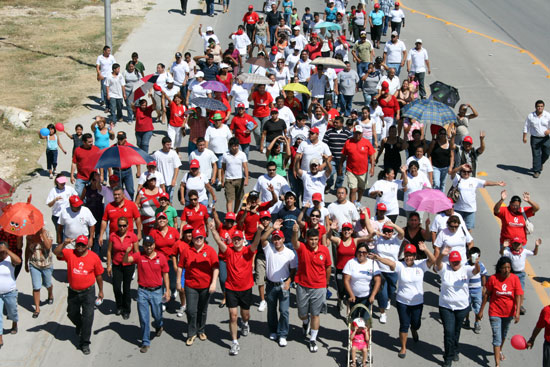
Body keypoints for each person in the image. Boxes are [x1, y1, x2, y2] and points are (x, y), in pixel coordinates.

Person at [371, 242, 435, 358]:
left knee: (416, 323)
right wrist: (378, 258)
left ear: (415, 256)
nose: (409, 257)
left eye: (411, 255)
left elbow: (433, 260)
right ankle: (403, 347)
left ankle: (414, 330)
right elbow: (390, 262)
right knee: (404, 324)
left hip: (417, 302)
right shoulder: (400, 265)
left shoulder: (421, 265)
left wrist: (426, 250)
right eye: (407, 255)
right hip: (402, 302)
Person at [210, 222, 259, 356]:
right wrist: (213, 230)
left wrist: (259, 231)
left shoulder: (248, 252)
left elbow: (255, 243)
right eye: (235, 239)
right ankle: (234, 342)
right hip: (231, 288)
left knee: (245, 315)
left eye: (239, 239)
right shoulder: (228, 252)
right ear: (232, 241)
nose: (237, 241)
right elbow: (218, 241)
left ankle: (245, 323)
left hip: (246, 289)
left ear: (243, 241)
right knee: (233, 316)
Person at [53, 235, 104, 355]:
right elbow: (56, 252)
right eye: (78, 245)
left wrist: (101, 291)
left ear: (87, 246)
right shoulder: (70, 253)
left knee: (88, 318)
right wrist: (64, 244)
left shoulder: (94, 257)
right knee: (71, 313)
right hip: (73, 292)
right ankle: (80, 325)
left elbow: (99, 275)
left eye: (82, 245)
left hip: (88, 293)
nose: (80, 247)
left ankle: (85, 343)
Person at [122, 235, 170, 353]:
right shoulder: (139, 256)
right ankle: (145, 342)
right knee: (144, 318)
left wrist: (167, 290)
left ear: (154, 245)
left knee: (157, 314)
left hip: (157, 291)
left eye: (151, 245)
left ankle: (159, 325)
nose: (149, 247)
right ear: (143, 246)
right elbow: (126, 261)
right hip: (142, 291)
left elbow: (165, 274)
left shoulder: (161, 257)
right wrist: (127, 253)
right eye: (146, 245)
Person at [435, 246, 480, 367]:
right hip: (446, 307)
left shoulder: (466, 269)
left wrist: (476, 263)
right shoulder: (445, 269)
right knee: (448, 332)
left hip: (462, 307)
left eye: (457, 261)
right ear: (449, 261)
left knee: (456, 331)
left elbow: (476, 271)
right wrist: (441, 255)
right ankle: (448, 357)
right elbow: (437, 264)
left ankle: (455, 349)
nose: (455, 263)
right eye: (453, 261)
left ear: (461, 261)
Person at [254, 220, 297, 346]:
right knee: (271, 310)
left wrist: (289, 281)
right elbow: (263, 238)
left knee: (284, 311)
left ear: (283, 239)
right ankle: (273, 330)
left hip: (283, 285)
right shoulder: (269, 249)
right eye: (275, 239)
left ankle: (283, 334)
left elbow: (293, 270)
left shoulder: (290, 253)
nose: (277, 241)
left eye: (279, 239)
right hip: (271, 285)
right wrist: (273, 228)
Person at [291, 223, 332, 353]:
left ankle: (313, 339)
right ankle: (305, 322)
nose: (313, 242)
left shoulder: (324, 250)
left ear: (318, 239)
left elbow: (328, 267)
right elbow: (294, 242)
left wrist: (326, 283)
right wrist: (295, 232)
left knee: (315, 314)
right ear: (307, 239)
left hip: (319, 287)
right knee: (302, 314)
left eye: (316, 239)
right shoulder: (302, 248)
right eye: (311, 239)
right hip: (303, 286)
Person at [177, 227, 219, 346]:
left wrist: (214, 282)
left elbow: (215, 267)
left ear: (204, 238)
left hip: (206, 286)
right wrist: (178, 282)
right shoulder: (187, 251)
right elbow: (180, 266)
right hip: (191, 285)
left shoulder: (210, 251)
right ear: (193, 239)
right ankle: (191, 333)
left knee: (202, 310)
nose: (199, 240)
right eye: (196, 238)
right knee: (191, 310)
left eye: (201, 237)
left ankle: (201, 330)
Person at [477, 257, 523, 367]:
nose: (506, 270)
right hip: (495, 312)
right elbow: (487, 295)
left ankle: (499, 350)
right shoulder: (493, 279)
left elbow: (518, 295)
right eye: (504, 268)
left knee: (503, 335)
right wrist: (481, 311)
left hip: (509, 313)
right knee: (497, 337)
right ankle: (497, 364)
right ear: (499, 268)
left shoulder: (514, 279)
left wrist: (517, 312)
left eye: (508, 267)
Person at [451, 163, 506, 230]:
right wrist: (461, 167)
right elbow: (452, 172)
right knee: (456, 227)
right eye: (464, 171)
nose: (466, 173)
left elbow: (486, 183)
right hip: (458, 209)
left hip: (470, 209)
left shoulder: (474, 180)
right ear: (461, 172)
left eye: (468, 172)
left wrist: (497, 183)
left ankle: (466, 240)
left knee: (468, 228)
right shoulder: (457, 179)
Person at [106, 216, 139, 319]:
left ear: (128, 226)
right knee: (116, 287)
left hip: (128, 265)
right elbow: (109, 251)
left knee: (126, 288)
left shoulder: (132, 236)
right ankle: (119, 305)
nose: (122, 228)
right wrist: (108, 265)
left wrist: (134, 260)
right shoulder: (113, 236)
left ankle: (126, 309)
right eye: (120, 226)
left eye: (124, 225)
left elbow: (137, 252)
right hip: (117, 264)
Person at [501, 237, 541, 315]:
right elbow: (502, 253)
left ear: (521, 245)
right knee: (510, 290)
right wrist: (503, 247)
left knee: (521, 291)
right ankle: (509, 305)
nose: (516, 245)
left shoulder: (524, 252)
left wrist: (536, 246)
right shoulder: (509, 252)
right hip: (511, 274)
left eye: (518, 244)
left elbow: (534, 253)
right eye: (515, 244)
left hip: (521, 274)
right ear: (512, 244)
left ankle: (520, 306)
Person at [343, 242, 382, 319]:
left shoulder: (372, 263)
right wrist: (351, 295)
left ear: (367, 253)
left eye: (364, 252)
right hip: (353, 297)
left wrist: (373, 295)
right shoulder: (350, 263)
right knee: (354, 321)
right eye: (359, 252)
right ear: (356, 252)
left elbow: (378, 280)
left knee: (366, 321)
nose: (361, 254)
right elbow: (346, 280)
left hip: (367, 297)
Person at [339, 125, 376, 203]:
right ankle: (352, 206)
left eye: (359, 133)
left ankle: (358, 201)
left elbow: (372, 155)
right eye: (356, 133)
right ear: (353, 133)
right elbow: (343, 155)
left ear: (362, 134)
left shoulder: (366, 142)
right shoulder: (348, 142)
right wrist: (340, 166)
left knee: (361, 189)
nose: (357, 135)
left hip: (363, 171)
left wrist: (372, 167)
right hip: (351, 170)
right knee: (353, 189)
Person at [24, 228, 54, 318]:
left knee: (47, 284)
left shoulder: (48, 233)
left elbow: (48, 246)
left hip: (46, 265)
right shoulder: (29, 236)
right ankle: (37, 308)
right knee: (36, 287)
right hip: (34, 264)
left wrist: (42, 235)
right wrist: (26, 262)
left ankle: (50, 294)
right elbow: (27, 249)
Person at [0, 241, 22, 347]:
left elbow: (18, 261)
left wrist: (7, 251)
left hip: (10, 292)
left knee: (12, 312)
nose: (1, 253)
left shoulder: (10, 260)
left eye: (3, 251)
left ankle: (14, 323)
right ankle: (0, 338)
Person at [523, 99, 550, 178]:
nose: (540, 108)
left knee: (547, 153)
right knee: (536, 155)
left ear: (543, 107)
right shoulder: (531, 116)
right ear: (535, 107)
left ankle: (540, 163)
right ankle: (536, 171)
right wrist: (524, 137)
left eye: (541, 106)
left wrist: (549, 130)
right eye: (538, 106)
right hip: (535, 138)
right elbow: (526, 126)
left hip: (546, 138)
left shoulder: (547, 115)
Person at [221, 138, 249, 213]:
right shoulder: (225, 155)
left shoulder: (242, 154)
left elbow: (245, 167)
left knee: (238, 198)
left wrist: (246, 179)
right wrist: (222, 180)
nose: (235, 148)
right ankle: (230, 216)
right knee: (229, 199)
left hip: (240, 179)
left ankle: (235, 212)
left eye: (237, 146)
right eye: (233, 146)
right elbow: (223, 169)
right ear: (229, 146)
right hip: (229, 180)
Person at [46, 175, 77, 240]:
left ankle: (67, 246)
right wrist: (55, 200)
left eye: (64, 182)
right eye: (61, 183)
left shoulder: (69, 189)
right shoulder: (53, 191)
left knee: (68, 232)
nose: (63, 184)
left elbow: (76, 196)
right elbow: (49, 204)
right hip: (57, 216)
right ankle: (60, 246)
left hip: (67, 215)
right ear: (57, 182)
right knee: (59, 233)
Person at [464, 247, 487, 333]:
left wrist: (484, 287)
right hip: (467, 289)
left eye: (477, 256)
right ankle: (467, 319)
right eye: (473, 256)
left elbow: (483, 275)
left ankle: (477, 322)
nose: (475, 258)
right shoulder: (465, 265)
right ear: (469, 256)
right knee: (467, 306)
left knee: (478, 307)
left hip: (477, 290)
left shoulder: (480, 265)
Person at [427, 127, 453, 192]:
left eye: (444, 134)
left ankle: (441, 199)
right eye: (441, 133)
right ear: (438, 134)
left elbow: (452, 156)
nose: (442, 135)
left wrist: (450, 167)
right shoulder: (434, 142)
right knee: (436, 183)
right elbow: (429, 154)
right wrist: (430, 165)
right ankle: (436, 197)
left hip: (445, 167)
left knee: (443, 184)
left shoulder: (449, 143)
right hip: (435, 167)